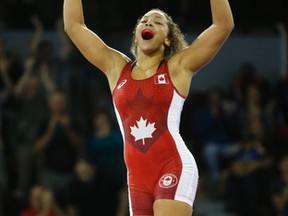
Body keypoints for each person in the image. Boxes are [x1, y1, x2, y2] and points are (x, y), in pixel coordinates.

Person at [63, 0, 234, 215]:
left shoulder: (178, 67)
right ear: (136, 35)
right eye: (144, 20)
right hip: (137, 181)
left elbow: (222, 26)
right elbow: (73, 26)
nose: (149, 23)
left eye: (157, 22)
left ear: (168, 39)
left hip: (173, 166)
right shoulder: (116, 68)